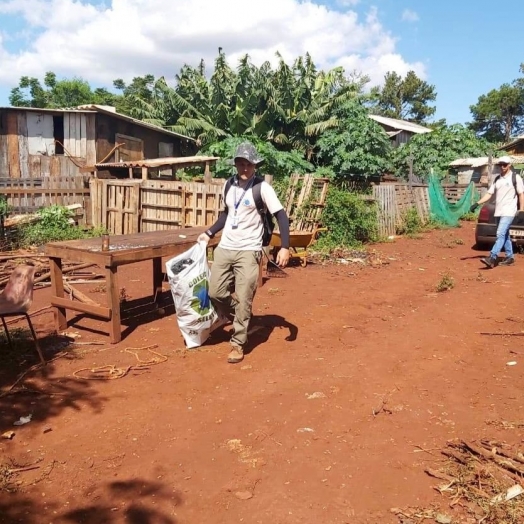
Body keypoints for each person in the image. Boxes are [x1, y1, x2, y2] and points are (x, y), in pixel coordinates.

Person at [197, 142, 290, 363]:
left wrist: (284, 246)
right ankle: (242, 315)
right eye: (241, 163)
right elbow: (226, 215)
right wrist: (208, 233)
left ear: (255, 165)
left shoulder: (263, 188)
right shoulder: (229, 185)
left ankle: (238, 343)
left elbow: (282, 215)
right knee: (215, 292)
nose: (245, 168)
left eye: (249, 164)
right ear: (236, 165)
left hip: (249, 251)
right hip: (225, 247)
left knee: (245, 296)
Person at [470, 156, 524, 268]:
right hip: (498, 211)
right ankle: (510, 257)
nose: (502, 167)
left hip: (509, 211)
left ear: (509, 165)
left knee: (500, 233)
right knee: (505, 235)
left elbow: (521, 194)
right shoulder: (497, 179)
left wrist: (522, 209)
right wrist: (477, 203)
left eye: (505, 164)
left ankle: (492, 257)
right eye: (500, 164)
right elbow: (489, 194)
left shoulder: (516, 177)